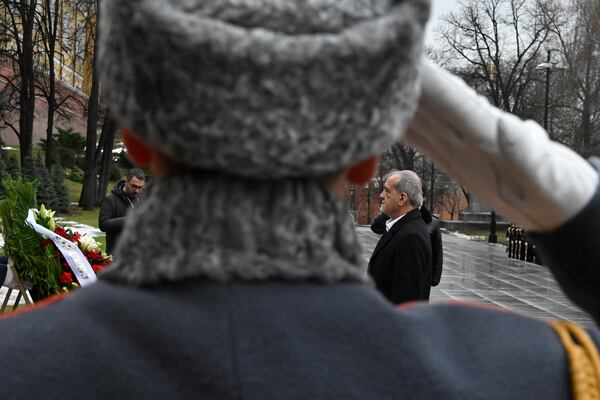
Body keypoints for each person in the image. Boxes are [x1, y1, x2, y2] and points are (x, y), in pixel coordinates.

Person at [1, 1, 599, 398]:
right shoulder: (526, 374)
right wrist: (571, 205)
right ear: (368, 158)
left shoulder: (21, 362)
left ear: (135, 139)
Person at [368, 170, 432, 304]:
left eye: (387, 190)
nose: (381, 195)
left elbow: (406, 299)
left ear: (402, 198)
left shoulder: (411, 237)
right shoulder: (402, 227)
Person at [371, 203, 444, 286]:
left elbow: (437, 251)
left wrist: (435, 278)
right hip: (395, 270)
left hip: (418, 273)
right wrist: (392, 209)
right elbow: (376, 227)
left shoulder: (433, 222)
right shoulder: (396, 217)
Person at [98, 168, 145, 254]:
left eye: (140, 187)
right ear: (126, 182)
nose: (137, 191)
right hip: (117, 255)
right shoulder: (110, 200)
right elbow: (103, 224)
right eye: (134, 186)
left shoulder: (145, 199)